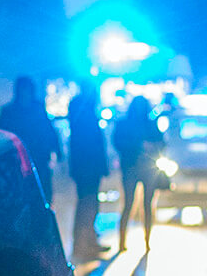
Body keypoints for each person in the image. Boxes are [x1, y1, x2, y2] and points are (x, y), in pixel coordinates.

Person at [112, 95, 164, 253]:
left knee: (134, 205)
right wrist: (142, 146)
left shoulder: (129, 124)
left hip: (139, 168)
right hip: (138, 168)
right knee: (137, 205)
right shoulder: (149, 124)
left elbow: (161, 143)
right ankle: (135, 242)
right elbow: (118, 143)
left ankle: (137, 242)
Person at [0, 76, 62, 200]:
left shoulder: (37, 109)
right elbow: (1, 136)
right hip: (18, 161)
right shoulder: (9, 112)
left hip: (38, 157)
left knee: (43, 194)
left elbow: (48, 131)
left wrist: (57, 150)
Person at [65, 88, 109, 263]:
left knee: (90, 204)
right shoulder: (85, 114)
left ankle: (88, 242)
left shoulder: (82, 112)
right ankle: (83, 245)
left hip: (87, 167)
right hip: (87, 168)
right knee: (87, 205)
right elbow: (93, 145)